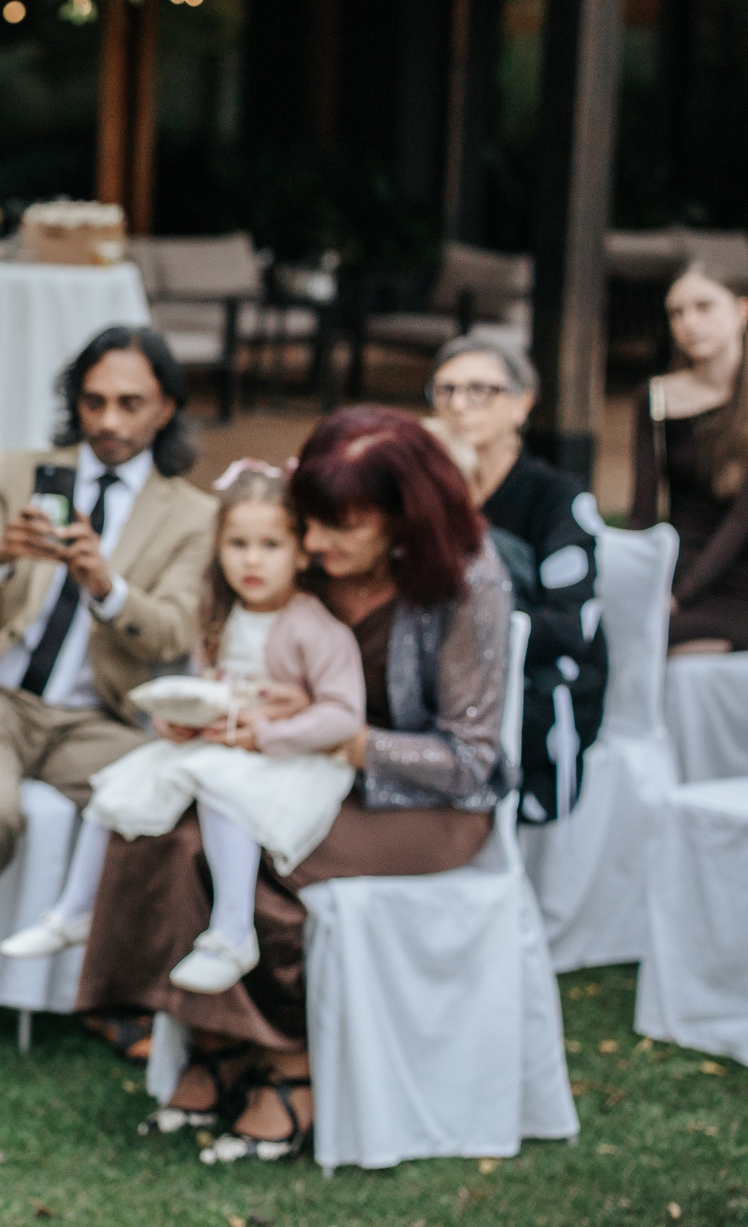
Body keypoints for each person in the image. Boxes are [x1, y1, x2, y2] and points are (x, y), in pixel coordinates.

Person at [78, 407, 513, 1165]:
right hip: (291, 768)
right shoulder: (304, 558)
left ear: (403, 518)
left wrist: (344, 737)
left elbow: (470, 760)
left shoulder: (469, 579)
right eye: (311, 520)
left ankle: (289, 1065)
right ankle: (219, 1044)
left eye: (342, 525)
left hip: (426, 804)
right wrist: (210, 713)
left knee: (261, 859)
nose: (314, 543)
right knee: (173, 831)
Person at [0, 325, 217, 1070]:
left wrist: (107, 586)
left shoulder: (193, 514)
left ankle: (118, 994)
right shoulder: (18, 470)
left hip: (95, 718)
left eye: (130, 403)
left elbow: (167, 634)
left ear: (165, 408)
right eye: (94, 401)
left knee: (167, 810)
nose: (109, 420)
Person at [1, 462, 364, 1001]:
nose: (253, 560)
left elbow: (342, 714)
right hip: (217, 746)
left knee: (224, 790)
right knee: (119, 783)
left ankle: (232, 932)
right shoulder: (217, 615)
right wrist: (179, 718)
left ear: (301, 550)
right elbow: (205, 687)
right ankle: (74, 909)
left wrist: (266, 733)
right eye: (238, 544)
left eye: (271, 544)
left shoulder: (314, 627)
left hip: (281, 758)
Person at [430, 332, 610, 822]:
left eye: (479, 390)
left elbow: (570, 628)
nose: (459, 405)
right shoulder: (428, 495)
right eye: (445, 391)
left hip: (533, 682)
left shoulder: (554, 498)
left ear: (521, 405)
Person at [633, 261, 748, 654]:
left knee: (669, 641)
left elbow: (741, 521)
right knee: (615, 637)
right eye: (676, 313)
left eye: (704, 307)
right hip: (676, 567)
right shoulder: (656, 397)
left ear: (741, 310)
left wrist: (679, 597)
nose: (688, 323)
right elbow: (642, 511)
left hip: (732, 577)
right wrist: (641, 584)